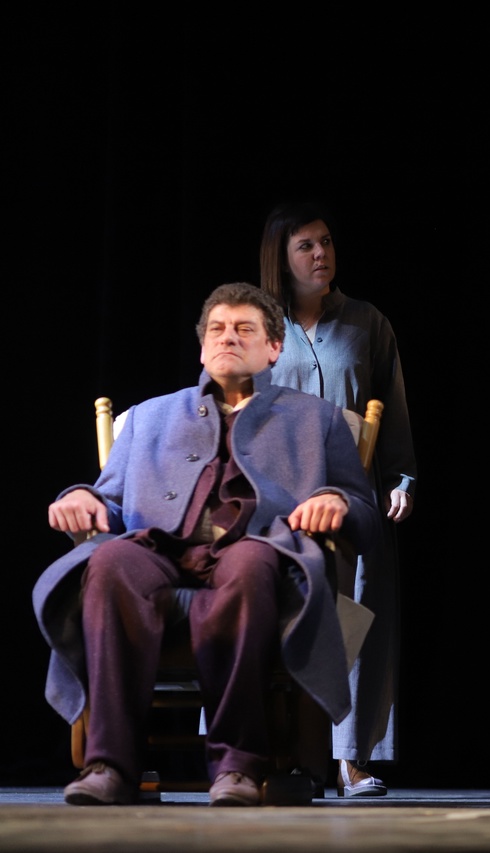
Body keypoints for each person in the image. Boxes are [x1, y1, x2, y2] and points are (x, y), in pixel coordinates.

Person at [35, 283, 379, 807]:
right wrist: (81, 497)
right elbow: (109, 500)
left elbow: (364, 515)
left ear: (274, 348)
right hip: (159, 551)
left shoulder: (317, 419)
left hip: (256, 550)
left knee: (251, 563)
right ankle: (111, 766)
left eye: (244, 329)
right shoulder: (149, 417)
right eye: (217, 329)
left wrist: (335, 499)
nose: (227, 338)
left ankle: (238, 767)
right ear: (201, 348)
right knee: (110, 561)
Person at [259, 202, 416, 797]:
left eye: (325, 241)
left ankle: (352, 757)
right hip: (280, 498)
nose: (321, 253)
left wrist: (401, 480)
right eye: (306, 245)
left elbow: (392, 409)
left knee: (359, 616)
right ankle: (265, 752)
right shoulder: (259, 326)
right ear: (282, 258)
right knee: (275, 613)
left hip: (354, 495)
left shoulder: (366, 322)